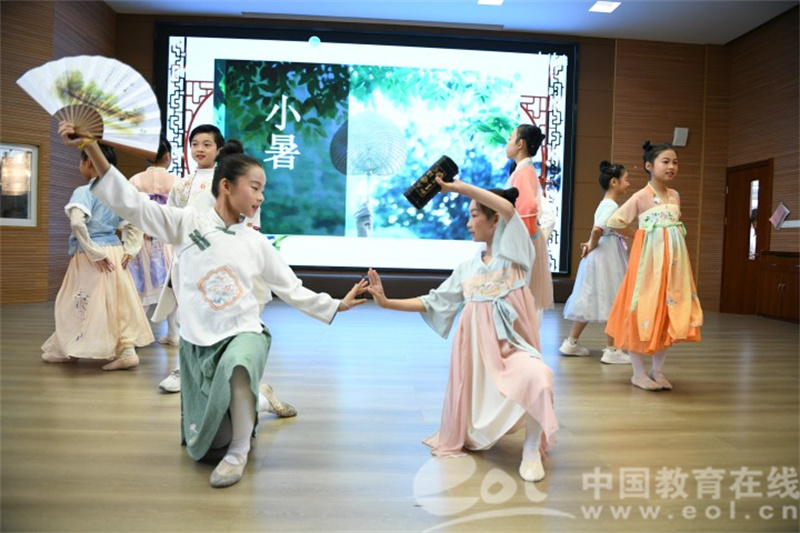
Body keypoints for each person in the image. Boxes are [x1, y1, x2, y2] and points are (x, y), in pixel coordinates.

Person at [58, 121, 368, 488]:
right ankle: (259, 401)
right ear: (226, 186)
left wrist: (337, 304)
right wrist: (92, 146)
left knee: (239, 367)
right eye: (255, 187)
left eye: (263, 189)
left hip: (246, 333)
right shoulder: (187, 224)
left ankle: (239, 452)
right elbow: (131, 204)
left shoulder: (256, 243)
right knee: (210, 443)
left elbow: (292, 288)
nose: (261, 197)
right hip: (200, 342)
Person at [366, 177, 558, 483]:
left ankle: (532, 449)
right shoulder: (467, 270)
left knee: (540, 377)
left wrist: (458, 187)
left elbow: (509, 209)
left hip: (512, 351)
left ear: (494, 220)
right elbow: (433, 301)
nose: (468, 223)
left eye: (474, 215)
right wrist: (387, 303)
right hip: (477, 364)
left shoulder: (517, 256)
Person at [41, 143, 154, 370]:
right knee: (118, 302)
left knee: (78, 300)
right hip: (116, 252)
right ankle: (127, 350)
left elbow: (77, 223)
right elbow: (135, 223)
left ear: (88, 162)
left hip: (92, 254)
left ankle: (73, 348)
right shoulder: (116, 195)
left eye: (81, 160)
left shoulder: (84, 191)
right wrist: (130, 250)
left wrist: (94, 252)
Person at [605, 141, 703, 391]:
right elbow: (614, 221)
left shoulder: (675, 195)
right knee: (642, 309)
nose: (671, 167)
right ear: (649, 166)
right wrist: (639, 233)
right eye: (665, 161)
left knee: (667, 312)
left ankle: (657, 371)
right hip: (648, 266)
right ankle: (638, 373)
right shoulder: (641, 196)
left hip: (673, 266)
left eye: (675, 162)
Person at [559, 160, 632, 364]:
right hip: (605, 257)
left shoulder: (605, 203)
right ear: (614, 182)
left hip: (602, 254)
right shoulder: (611, 205)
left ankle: (571, 342)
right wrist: (592, 243)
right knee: (613, 298)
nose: (628, 183)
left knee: (590, 296)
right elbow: (598, 229)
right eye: (626, 179)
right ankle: (612, 349)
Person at [128, 136, 179, 344]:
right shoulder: (176, 181)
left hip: (142, 239)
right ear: (167, 156)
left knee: (141, 287)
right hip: (168, 240)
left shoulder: (135, 180)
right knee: (171, 287)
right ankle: (173, 333)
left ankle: (136, 335)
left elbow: (129, 212)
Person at [505, 124, 554, 320]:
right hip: (526, 239)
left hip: (521, 241)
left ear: (520, 144)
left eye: (510, 138)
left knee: (518, 295)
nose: (507, 143)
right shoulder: (525, 170)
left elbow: (528, 208)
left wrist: (518, 241)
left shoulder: (523, 172)